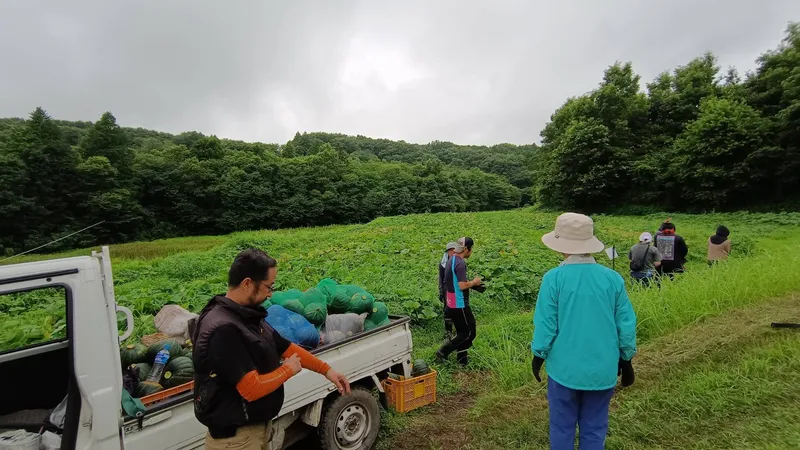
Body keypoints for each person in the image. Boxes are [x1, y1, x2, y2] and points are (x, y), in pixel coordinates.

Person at [192, 248, 351, 450]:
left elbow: (284, 346)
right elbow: (251, 389)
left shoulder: (245, 316)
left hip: (253, 431)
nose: (270, 294)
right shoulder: (223, 329)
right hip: (235, 441)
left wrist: (327, 370)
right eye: (268, 287)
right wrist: (288, 370)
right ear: (247, 283)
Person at [531, 213, 637, 450]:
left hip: (564, 370)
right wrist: (626, 358)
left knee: (562, 426)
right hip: (603, 368)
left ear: (561, 247)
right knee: (595, 426)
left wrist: (538, 354)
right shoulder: (613, 279)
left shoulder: (554, 278)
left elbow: (546, 324)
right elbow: (626, 325)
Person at [435, 237, 482, 366]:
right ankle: (443, 352)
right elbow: (461, 286)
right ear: (466, 249)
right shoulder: (460, 263)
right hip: (459, 303)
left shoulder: (451, 259)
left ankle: (462, 360)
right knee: (469, 333)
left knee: (463, 332)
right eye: (471, 249)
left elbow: (454, 282)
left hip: (451, 301)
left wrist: (471, 285)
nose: (471, 252)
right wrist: (474, 282)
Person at [438, 241, 459, 339]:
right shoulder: (443, 264)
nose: (452, 252)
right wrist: (441, 291)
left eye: (453, 250)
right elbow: (441, 278)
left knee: (458, 308)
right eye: (450, 251)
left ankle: (458, 328)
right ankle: (448, 332)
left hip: (457, 288)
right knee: (448, 309)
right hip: (447, 288)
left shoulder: (459, 262)